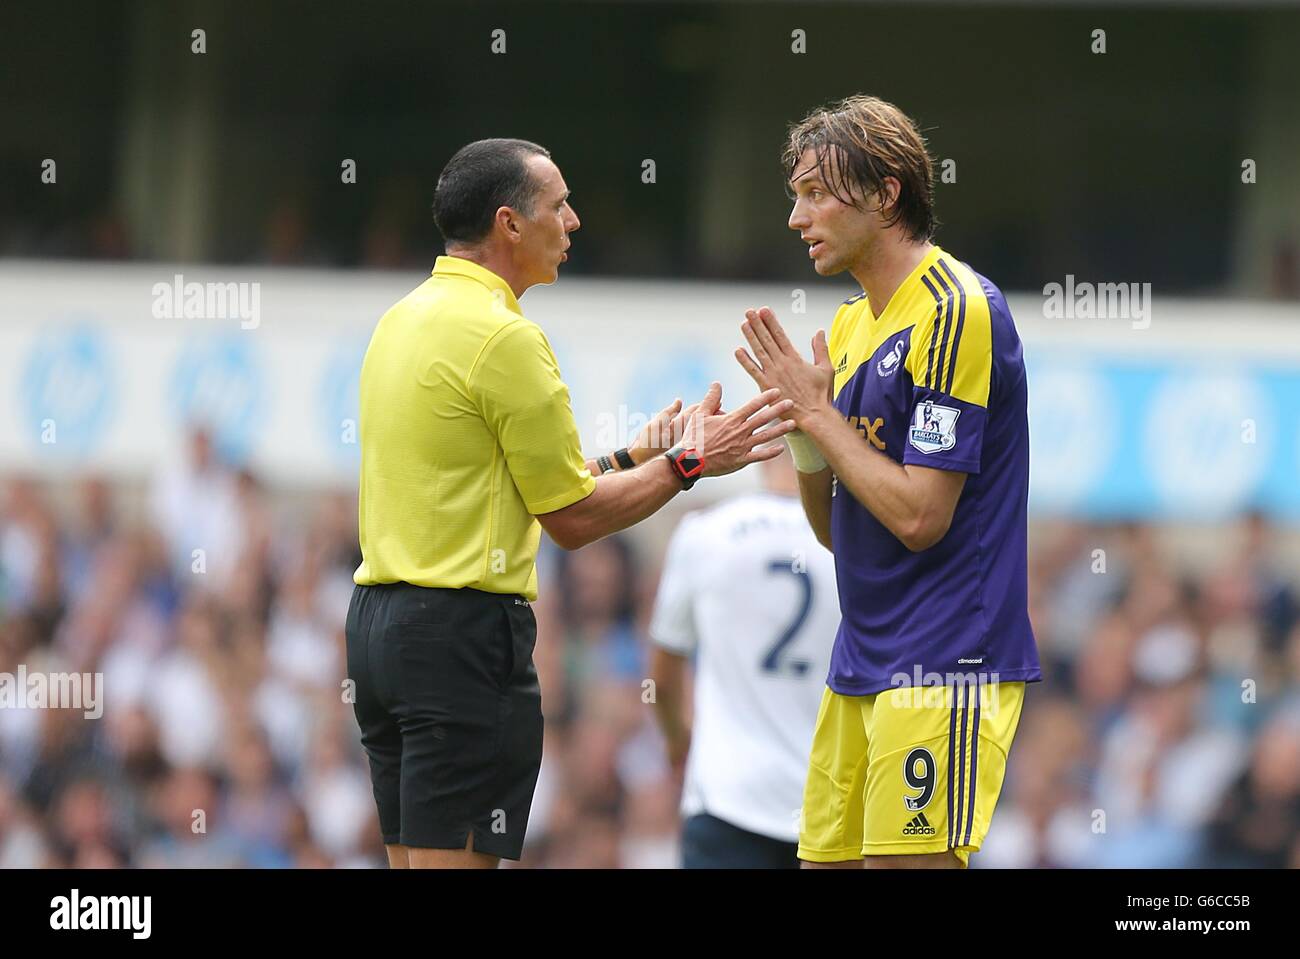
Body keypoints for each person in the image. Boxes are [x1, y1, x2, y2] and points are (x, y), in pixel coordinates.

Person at [345, 137, 796, 869]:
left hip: (381, 631)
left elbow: (527, 486)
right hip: (461, 637)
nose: (575, 220)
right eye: (559, 204)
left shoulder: (401, 319)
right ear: (509, 224)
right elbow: (573, 519)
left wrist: (636, 457)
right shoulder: (505, 338)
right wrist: (688, 464)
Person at [735, 96, 1042, 868]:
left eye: (815, 192)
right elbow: (836, 530)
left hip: (947, 661)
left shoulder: (955, 311)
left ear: (885, 193)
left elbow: (919, 517)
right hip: (860, 662)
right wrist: (808, 440)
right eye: (794, 196)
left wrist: (819, 411)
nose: (797, 218)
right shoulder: (846, 328)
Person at [648, 456, 838, 868]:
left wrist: (678, 741)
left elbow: (662, 680)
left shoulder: (705, 533)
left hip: (726, 799)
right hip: (830, 807)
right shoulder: (853, 545)